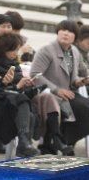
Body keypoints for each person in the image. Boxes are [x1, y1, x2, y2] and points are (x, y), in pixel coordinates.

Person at [0, 32, 44, 157]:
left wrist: (26, 86)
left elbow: (14, 92)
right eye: (12, 49)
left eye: (17, 49)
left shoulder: (15, 66)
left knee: (29, 112)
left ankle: (24, 145)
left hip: (11, 104)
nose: (15, 53)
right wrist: (15, 86)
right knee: (24, 105)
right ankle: (24, 145)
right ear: (3, 49)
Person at [31, 20, 89, 152]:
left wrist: (80, 82)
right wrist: (57, 90)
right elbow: (35, 74)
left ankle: (65, 142)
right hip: (49, 94)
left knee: (85, 107)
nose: (66, 33)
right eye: (63, 30)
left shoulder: (74, 51)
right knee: (80, 108)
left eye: (70, 31)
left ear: (75, 37)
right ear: (58, 32)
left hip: (67, 94)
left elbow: (73, 78)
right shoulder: (46, 50)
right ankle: (58, 143)